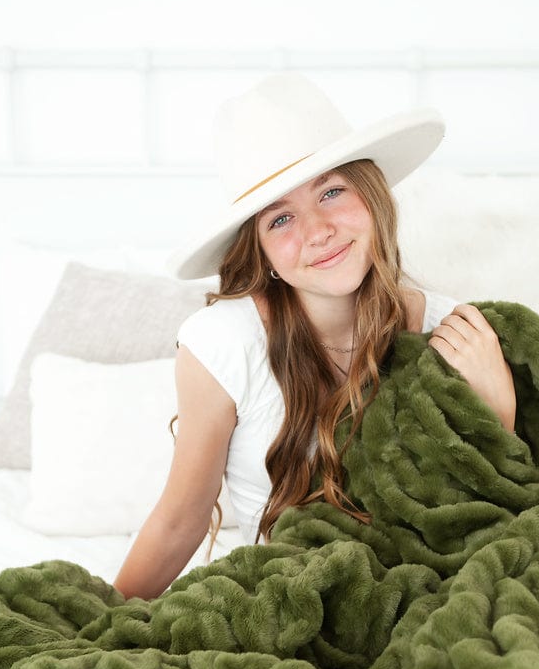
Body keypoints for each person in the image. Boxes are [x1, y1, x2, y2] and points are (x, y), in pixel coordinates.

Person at [114, 74, 516, 601]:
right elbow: (180, 520)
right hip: (289, 602)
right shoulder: (223, 345)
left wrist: (499, 413)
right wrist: (103, 629)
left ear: (371, 198)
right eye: (281, 219)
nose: (318, 230)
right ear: (261, 254)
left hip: (427, 594)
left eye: (331, 191)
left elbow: (489, 514)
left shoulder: (454, 333)